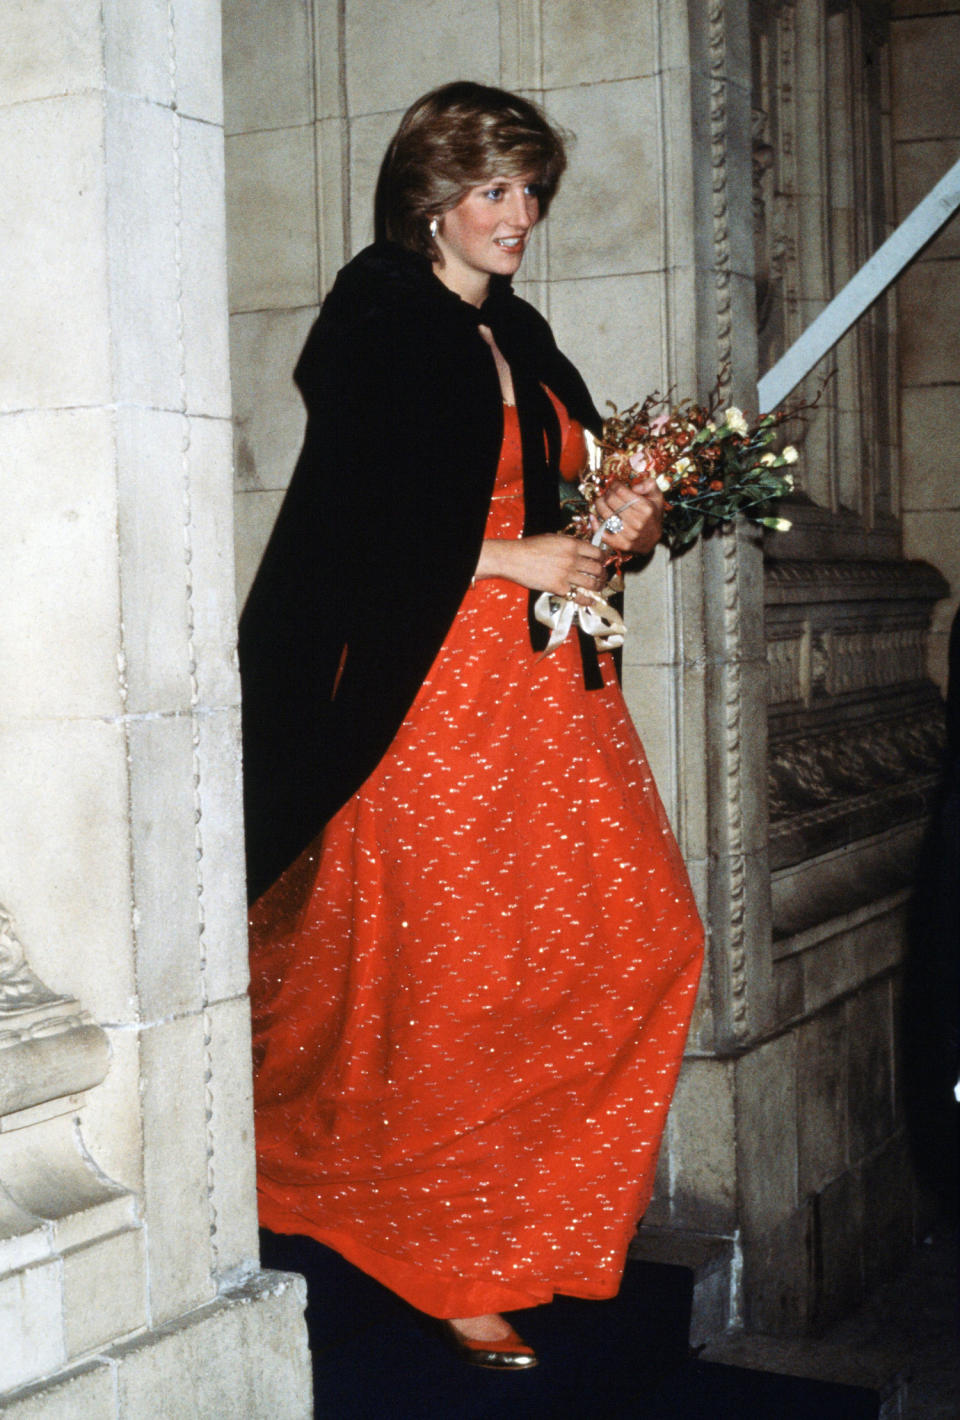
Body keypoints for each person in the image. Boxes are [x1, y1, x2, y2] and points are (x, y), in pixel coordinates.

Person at [239, 81, 704, 1371]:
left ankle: (511, 1216)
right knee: (455, 977)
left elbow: (573, 496)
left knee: (646, 938)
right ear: (431, 199)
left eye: (530, 192)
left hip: (549, 690)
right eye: (494, 189)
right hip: (432, 686)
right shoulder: (377, 318)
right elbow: (361, 534)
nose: (520, 216)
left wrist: (630, 518)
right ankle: (449, 1254)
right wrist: (521, 556)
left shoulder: (526, 332)